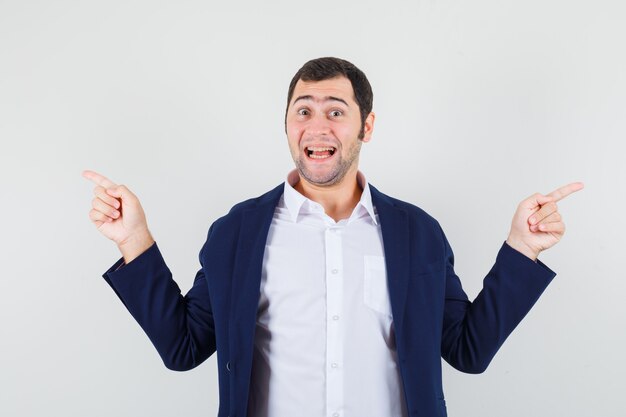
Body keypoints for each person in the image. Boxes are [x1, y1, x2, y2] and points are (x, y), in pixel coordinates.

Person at [83, 57, 583, 417]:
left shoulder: (418, 232)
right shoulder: (237, 231)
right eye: (303, 111)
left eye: (335, 111)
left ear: (366, 126)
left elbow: (467, 349)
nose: (317, 125)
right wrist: (134, 240)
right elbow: (184, 346)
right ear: (286, 125)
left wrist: (523, 249)